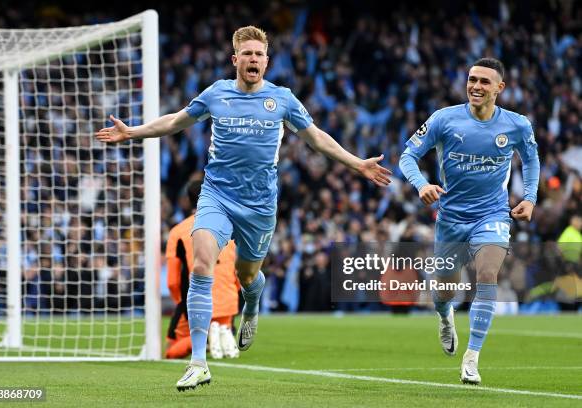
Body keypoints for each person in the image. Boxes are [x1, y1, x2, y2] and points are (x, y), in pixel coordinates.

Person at [96, 26, 392, 391]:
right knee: (202, 261)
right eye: (247, 54)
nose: (253, 59)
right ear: (235, 59)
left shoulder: (282, 99)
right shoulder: (216, 93)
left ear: (267, 61)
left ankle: (250, 304)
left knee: (248, 276)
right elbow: (175, 121)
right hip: (217, 194)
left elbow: (315, 137)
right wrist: (134, 132)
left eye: (259, 54)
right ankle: (199, 362)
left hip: (259, 205)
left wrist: (356, 163)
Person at [399, 57, 540, 385]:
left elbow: (531, 160)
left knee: (488, 273)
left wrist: (530, 197)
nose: (476, 86)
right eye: (472, 79)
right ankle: (445, 315)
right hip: (450, 218)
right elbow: (408, 155)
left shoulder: (517, 125)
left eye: (484, 82)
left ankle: (472, 357)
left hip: (492, 215)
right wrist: (422, 185)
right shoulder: (444, 119)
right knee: (446, 289)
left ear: (499, 88)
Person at [164, 179, 240, 360]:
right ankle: (222, 331)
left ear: (188, 200)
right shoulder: (231, 227)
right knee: (222, 326)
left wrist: (181, 304)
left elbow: (173, 282)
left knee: (171, 350)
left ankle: (204, 338)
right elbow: (240, 273)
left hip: (197, 301)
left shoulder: (178, 231)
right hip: (228, 303)